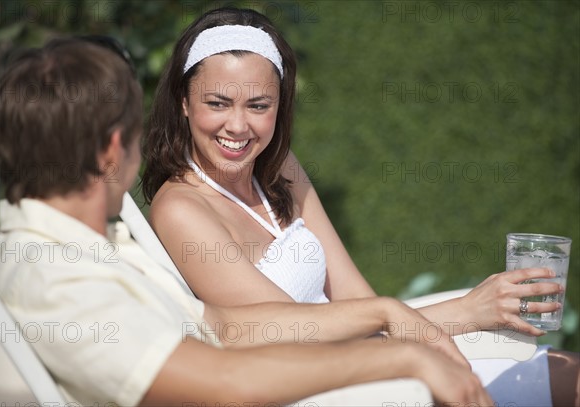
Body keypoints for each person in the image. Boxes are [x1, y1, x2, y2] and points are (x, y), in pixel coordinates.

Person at [0, 37, 493, 406]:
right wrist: (403, 357)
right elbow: (228, 384)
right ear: (114, 148)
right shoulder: (59, 280)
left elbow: (228, 329)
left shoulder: (89, 248)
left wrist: (384, 313)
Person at [141, 7, 579, 407]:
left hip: (366, 361)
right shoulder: (182, 208)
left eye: (259, 105)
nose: (238, 126)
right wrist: (466, 312)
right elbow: (297, 342)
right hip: (316, 389)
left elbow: (358, 301)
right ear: (183, 101)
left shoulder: (278, 169)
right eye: (218, 103)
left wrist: (464, 313)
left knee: (568, 374)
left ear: (280, 106)